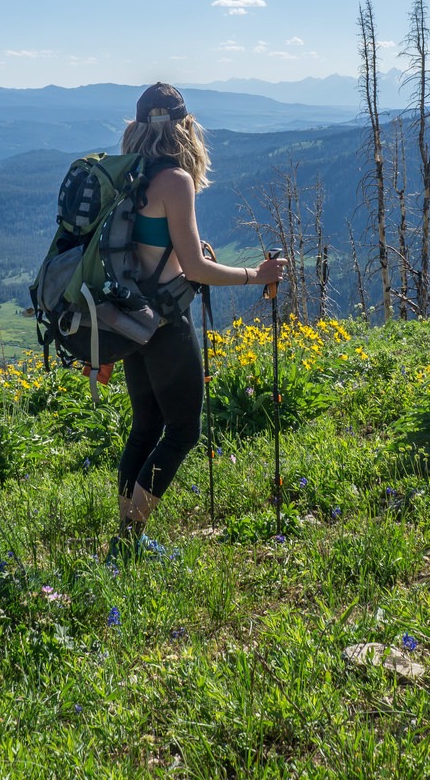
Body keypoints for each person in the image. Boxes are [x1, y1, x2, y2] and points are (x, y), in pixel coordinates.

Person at [112, 82, 286, 559]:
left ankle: (124, 535)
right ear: (185, 128)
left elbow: (150, 245)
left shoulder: (127, 174)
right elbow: (196, 270)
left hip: (130, 320)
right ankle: (128, 544)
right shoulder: (176, 180)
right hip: (167, 322)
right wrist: (258, 274)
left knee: (146, 423)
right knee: (184, 431)